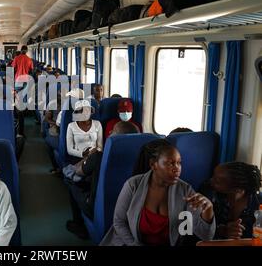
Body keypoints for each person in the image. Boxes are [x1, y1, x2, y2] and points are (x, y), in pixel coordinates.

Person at [101, 140, 215, 246]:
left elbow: (205, 236)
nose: (177, 168)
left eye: (179, 163)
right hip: (130, 242)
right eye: (170, 163)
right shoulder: (133, 185)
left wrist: (208, 211)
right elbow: (119, 222)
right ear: (153, 165)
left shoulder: (185, 190)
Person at [65, 100, 103, 239]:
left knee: (82, 179)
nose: (86, 113)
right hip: (77, 157)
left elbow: (100, 145)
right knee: (79, 179)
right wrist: (83, 154)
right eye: (83, 110)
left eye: (88, 110)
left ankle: (79, 221)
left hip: (94, 156)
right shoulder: (71, 126)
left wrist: (94, 152)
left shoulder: (97, 124)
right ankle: (78, 221)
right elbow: (69, 149)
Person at [200, 162, 262, 239]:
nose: (211, 181)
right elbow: (199, 228)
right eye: (213, 176)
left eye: (217, 181)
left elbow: (257, 236)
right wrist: (221, 231)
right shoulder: (208, 192)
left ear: (237, 189)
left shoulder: (258, 204)